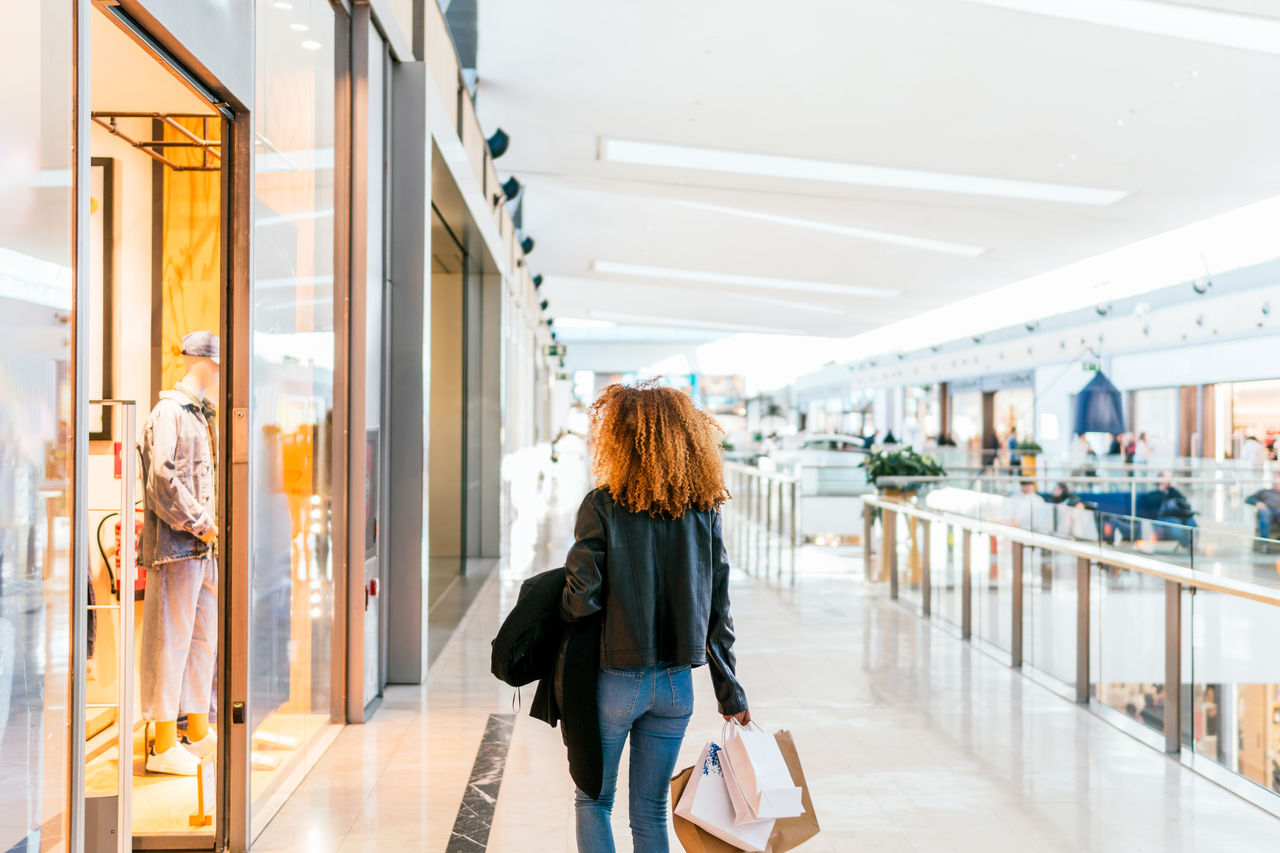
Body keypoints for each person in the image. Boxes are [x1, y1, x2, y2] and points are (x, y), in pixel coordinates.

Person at [561, 382, 749, 853]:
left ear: (621, 441)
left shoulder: (601, 505)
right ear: (688, 439)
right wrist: (730, 691)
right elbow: (718, 608)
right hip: (676, 686)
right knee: (649, 811)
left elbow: (581, 601)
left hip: (615, 681)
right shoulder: (703, 510)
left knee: (593, 801)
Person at [138, 331, 220, 776]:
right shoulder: (168, 413)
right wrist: (201, 523)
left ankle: (196, 730)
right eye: (219, 363)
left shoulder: (203, 415)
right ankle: (164, 744)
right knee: (169, 643)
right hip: (177, 548)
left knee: (202, 640)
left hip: (202, 549)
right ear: (203, 361)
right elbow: (162, 480)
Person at [1244, 477, 1280, 552]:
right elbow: (1248, 499)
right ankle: (1264, 544)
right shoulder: (1264, 491)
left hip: (1278, 512)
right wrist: (1257, 503)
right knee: (1264, 512)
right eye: (1275, 480)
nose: (1276, 483)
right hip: (1267, 511)